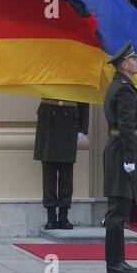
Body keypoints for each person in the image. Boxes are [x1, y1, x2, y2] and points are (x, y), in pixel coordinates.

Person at [103, 41, 137, 273]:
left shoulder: (121, 85)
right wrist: (130, 158)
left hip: (120, 148)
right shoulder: (123, 88)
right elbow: (127, 127)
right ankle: (115, 261)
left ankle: (117, 260)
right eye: (134, 59)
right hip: (123, 150)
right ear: (123, 64)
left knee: (119, 207)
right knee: (118, 208)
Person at [34, 97, 89, 230]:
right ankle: (51, 217)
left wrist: (83, 127)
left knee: (66, 175)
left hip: (69, 120)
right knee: (49, 175)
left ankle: (63, 216)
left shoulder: (78, 75)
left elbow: (84, 96)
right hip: (48, 119)